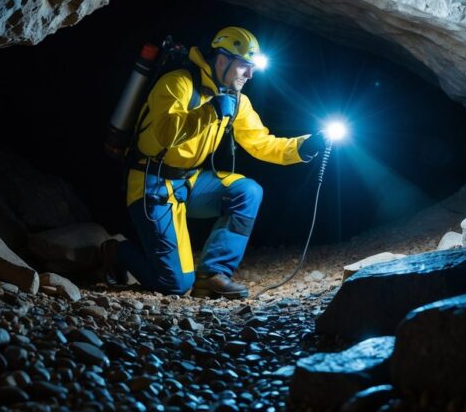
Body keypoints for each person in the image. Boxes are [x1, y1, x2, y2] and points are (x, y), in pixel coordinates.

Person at [102, 26, 329, 298]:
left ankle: (213, 274)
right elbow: (164, 133)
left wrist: (303, 147)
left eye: (253, 69)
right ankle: (117, 250)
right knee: (174, 284)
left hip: (190, 180)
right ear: (222, 60)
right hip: (152, 182)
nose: (250, 75)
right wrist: (209, 112)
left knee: (247, 191)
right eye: (245, 67)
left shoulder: (236, 101)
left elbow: (261, 143)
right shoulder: (178, 83)